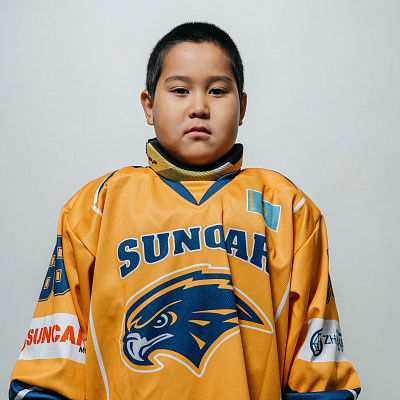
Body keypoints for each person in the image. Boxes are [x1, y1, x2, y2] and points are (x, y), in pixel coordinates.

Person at [9, 22, 361, 400]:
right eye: (180, 90)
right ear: (149, 105)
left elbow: (318, 375)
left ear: (242, 107)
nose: (199, 107)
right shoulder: (97, 207)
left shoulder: (287, 207)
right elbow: (50, 370)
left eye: (217, 91)